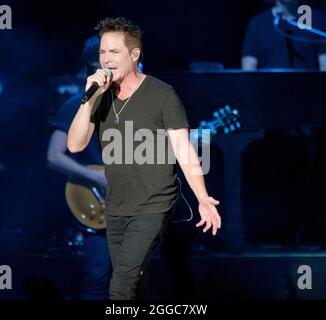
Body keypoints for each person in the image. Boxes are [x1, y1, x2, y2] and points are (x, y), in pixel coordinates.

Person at [67, 17, 222, 300]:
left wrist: (203, 199)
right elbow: (75, 145)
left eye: (114, 52)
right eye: (102, 52)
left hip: (153, 205)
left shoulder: (162, 95)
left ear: (134, 54)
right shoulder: (100, 97)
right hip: (115, 207)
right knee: (136, 285)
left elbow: (184, 151)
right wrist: (88, 99)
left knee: (120, 286)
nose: (106, 59)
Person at [47, 34, 112, 300]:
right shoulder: (76, 105)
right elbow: (54, 156)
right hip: (100, 204)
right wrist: (97, 178)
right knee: (97, 278)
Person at [242, 0, 326, 71]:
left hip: (309, 92)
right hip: (268, 93)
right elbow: (248, 70)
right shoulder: (258, 23)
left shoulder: (318, 20)